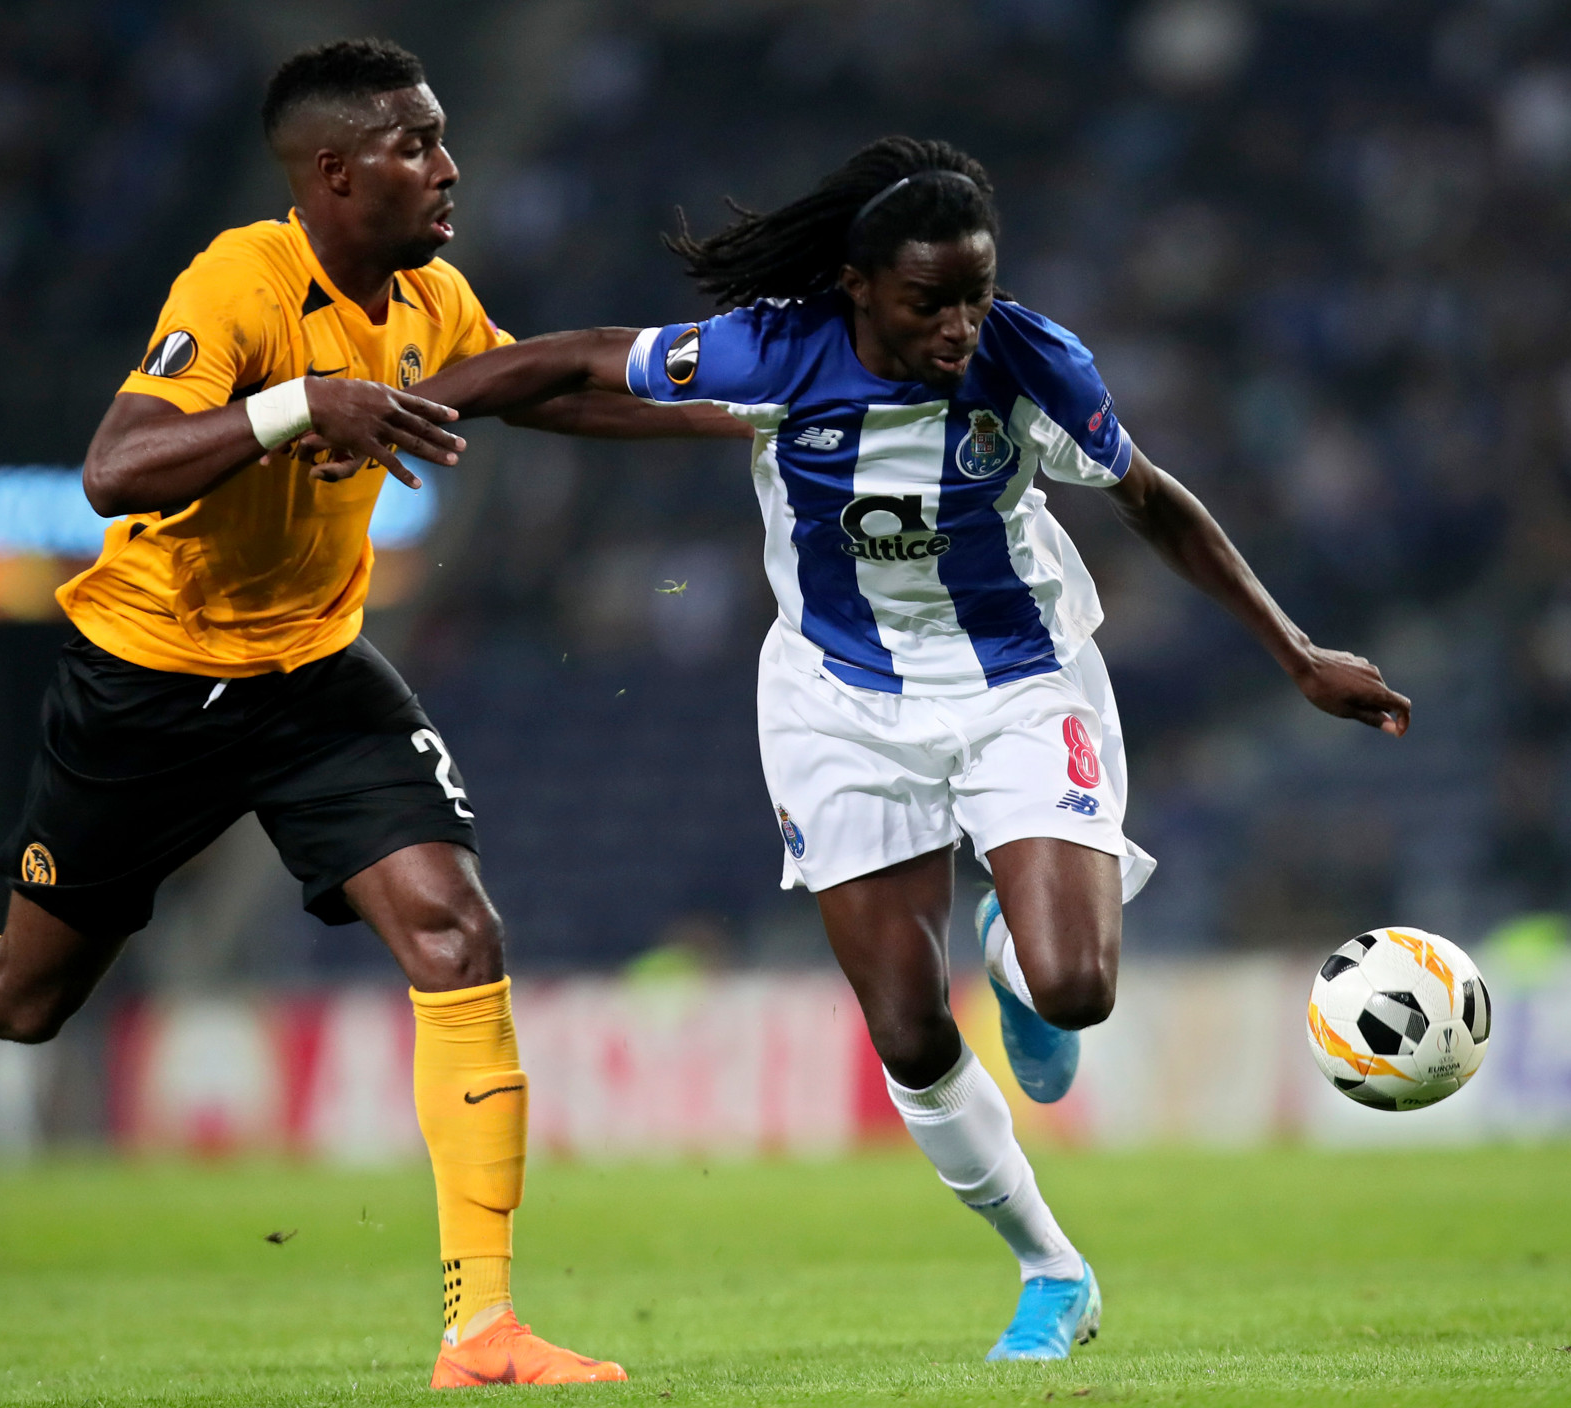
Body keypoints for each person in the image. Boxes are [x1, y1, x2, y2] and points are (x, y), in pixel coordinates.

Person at [0, 38, 734, 1391]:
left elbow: (539, 388)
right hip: (149, 686)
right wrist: (296, 406)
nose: (449, 166)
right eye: (415, 144)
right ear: (334, 173)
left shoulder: (430, 296)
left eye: (444, 138)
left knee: (456, 930)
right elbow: (115, 470)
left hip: (314, 677)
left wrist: (752, 423)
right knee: (23, 996)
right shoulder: (240, 282)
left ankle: (482, 1329)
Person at [398, 136, 1412, 1361]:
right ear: (859, 287)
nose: (957, 326)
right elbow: (570, 362)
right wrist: (409, 407)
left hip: (1016, 684)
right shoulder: (771, 348)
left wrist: (1296, 655)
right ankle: (1051, 1270)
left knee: (1073, 986)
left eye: (974, 295)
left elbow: (1151, 499)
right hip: (836, 701)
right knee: (907, 1030)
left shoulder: (1033, 362)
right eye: (929, 301)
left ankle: (1014, 951)